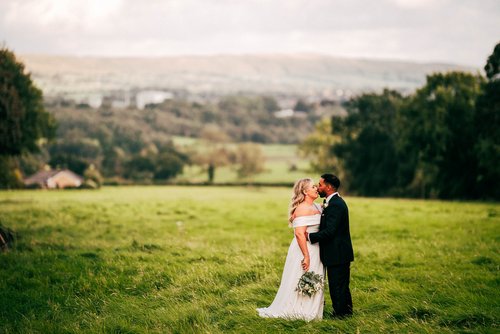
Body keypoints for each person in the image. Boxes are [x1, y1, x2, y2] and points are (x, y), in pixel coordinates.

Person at [257, 178, 325, 321]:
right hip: (304, 249)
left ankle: (310, 308)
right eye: (313, 187)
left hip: (316, 249)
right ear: (305, 191)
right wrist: (306, 256)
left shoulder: (317, 207)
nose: (316, 189)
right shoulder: (301, 209)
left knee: (314, 279)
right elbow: (300, 234)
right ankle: (297, 309)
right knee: (301, 277)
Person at [307, 174, 354, 318]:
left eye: (320, 185)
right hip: (338, 252)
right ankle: (345, 312)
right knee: (340, 284)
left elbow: (330, 231)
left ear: (328, 187)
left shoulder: (336, 205)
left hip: (337, 252)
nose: (318, 187)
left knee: (337, 285)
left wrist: (310, 236)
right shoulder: (332, 202)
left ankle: (340, 314)